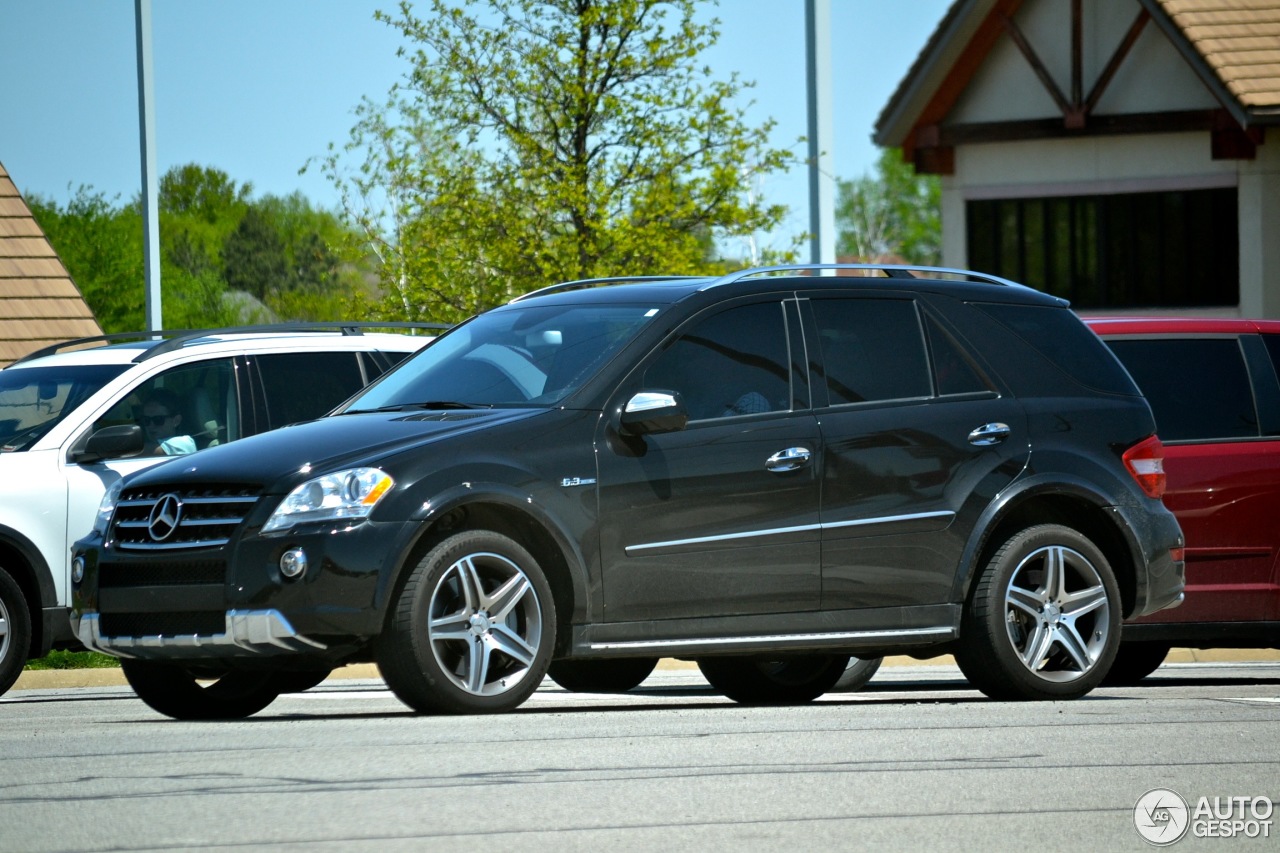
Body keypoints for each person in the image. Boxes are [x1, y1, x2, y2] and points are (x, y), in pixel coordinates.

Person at [140, 388, 196, 456]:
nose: (151, 425)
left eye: (158, 420)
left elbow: (138, 452)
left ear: (176, 421)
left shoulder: (184, 443)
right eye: (146, 420)